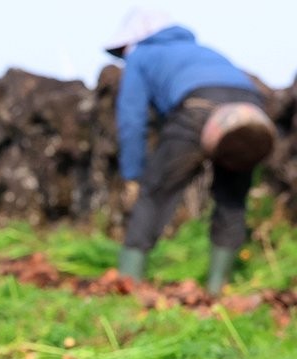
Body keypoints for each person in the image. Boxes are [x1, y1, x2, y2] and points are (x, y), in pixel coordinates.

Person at [107, 9, 276, 295]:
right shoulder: (202, 51)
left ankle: (128, 282)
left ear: (133, 40)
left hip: (197, 107)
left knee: (155, 193)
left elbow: (132, 118)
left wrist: (133, 174)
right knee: (232, 199)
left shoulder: (141, 55)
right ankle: (217, 290)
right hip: (248, 110)